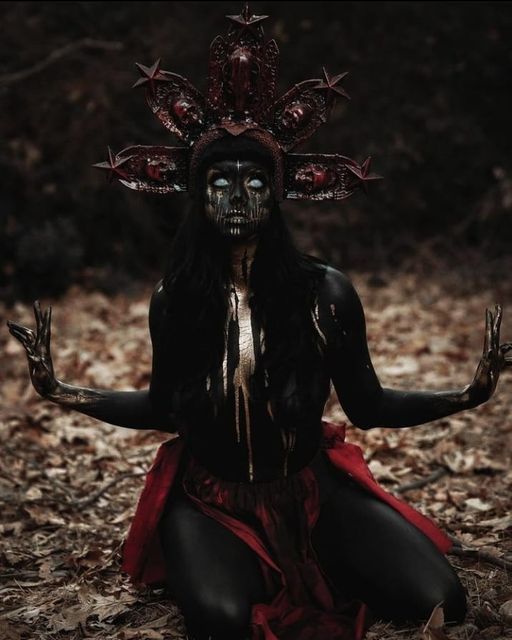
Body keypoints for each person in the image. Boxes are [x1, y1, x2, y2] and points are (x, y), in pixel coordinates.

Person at [7, 6, 511, 640]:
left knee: (442, 599)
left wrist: (468, 395)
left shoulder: (325, 293)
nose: (237, 198)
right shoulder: (177, 298)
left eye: (253, 182)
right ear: (196, 195)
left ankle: (323, 553)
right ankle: (247, 560)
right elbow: (167, 407)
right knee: (223, 619)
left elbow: (369, 404)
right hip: (211, 499)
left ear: (278, 194)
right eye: (219, 182)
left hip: (310, 490)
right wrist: (64, 393)